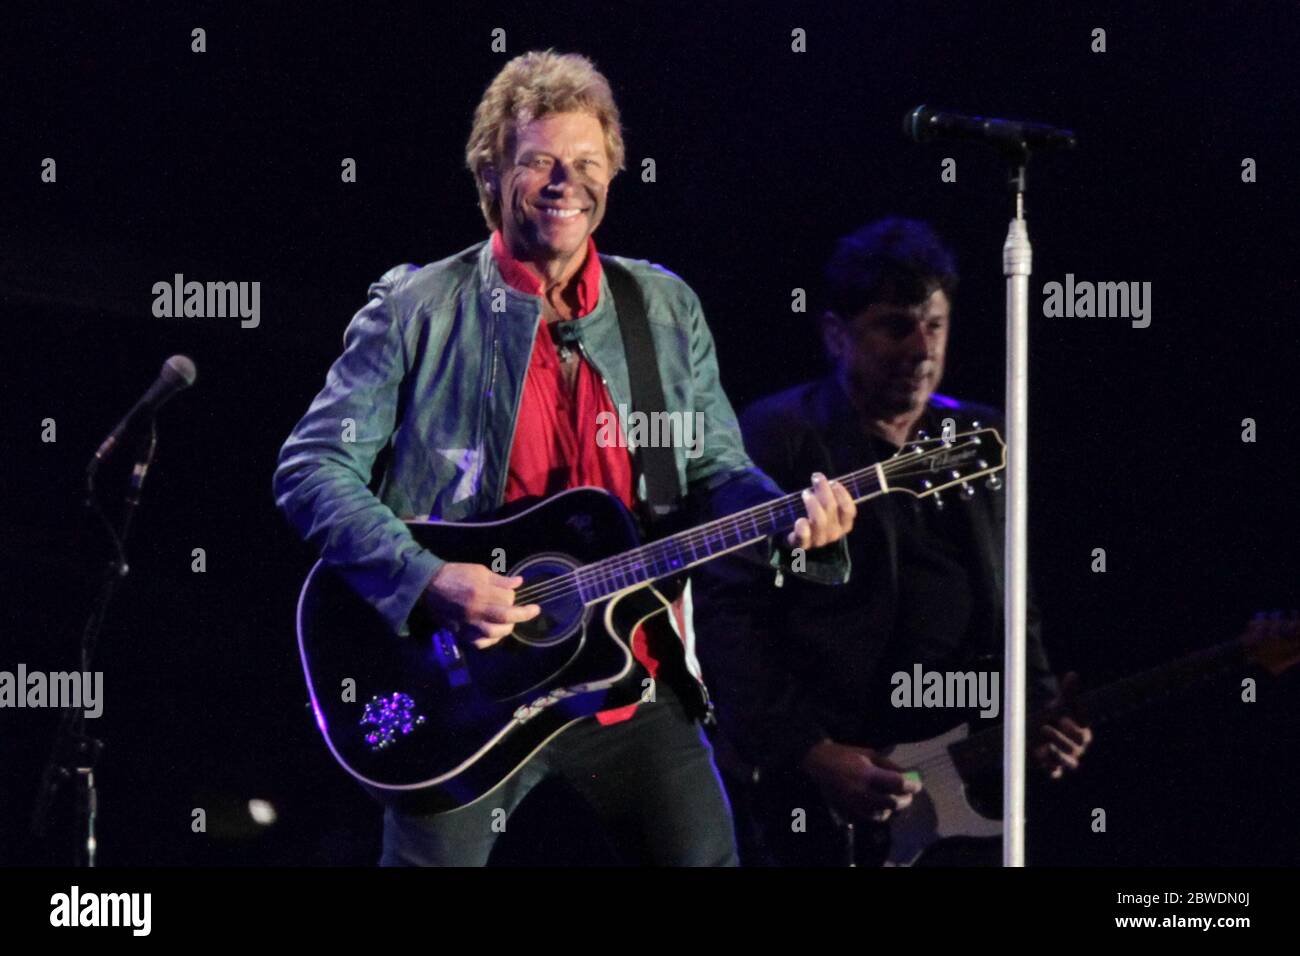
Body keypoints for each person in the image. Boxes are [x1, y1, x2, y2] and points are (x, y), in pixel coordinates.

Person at [271, 50, 856, 866]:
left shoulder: (661, 307)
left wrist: (790, 524)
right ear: (490, 174)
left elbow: (717, 472)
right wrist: (427, 580)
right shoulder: (417, 308)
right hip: (460, 691)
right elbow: (309, 468)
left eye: (586, 163)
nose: (564, 182)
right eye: (539, 161)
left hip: (626, 679)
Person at [693, 218, 1092, 866]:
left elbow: (1018, 599)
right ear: (835, 334)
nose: (921, 349)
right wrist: (812, 753)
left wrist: (1039, 711)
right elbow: (729, 617)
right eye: (895, 326)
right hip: (817, 783)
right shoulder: (775, 439)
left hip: (957, 779)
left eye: (934, 325)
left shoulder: (979, 438)